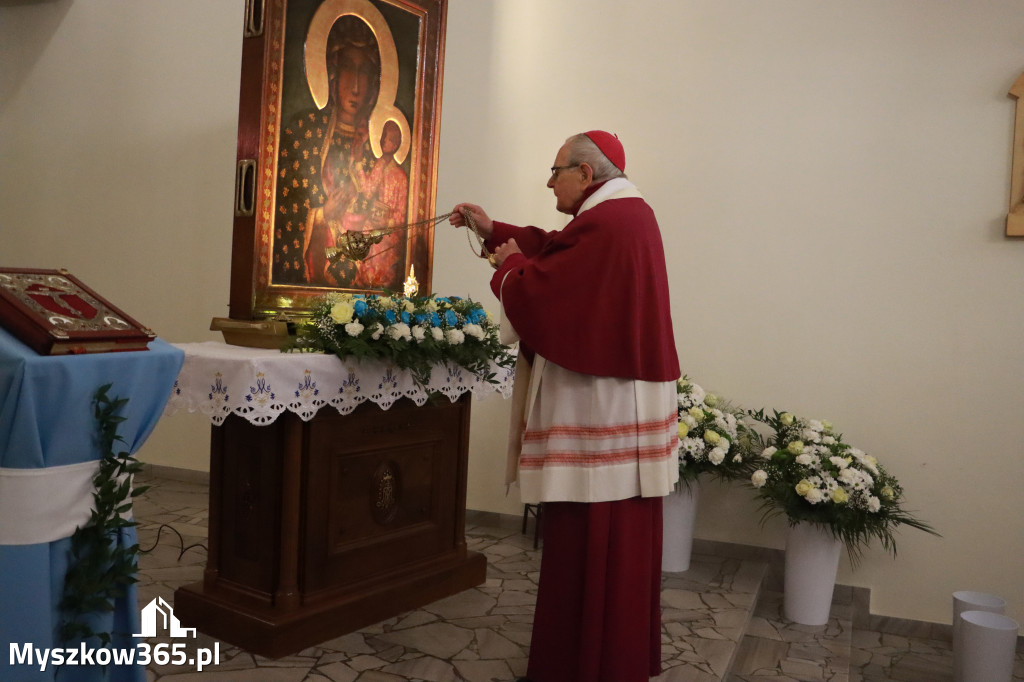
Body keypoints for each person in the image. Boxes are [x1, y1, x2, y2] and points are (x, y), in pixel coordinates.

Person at [450, 131, 680, 682]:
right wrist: (494, 231)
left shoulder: (613, 221)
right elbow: (557, 249)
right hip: (619, 399)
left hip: (600, 406)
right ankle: (606, 658)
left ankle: (582, 664)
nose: (549, 182)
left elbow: (552, 293)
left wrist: (507, 272)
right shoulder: (618, 215)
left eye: (555, 171)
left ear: (585, 172)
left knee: (591, 536)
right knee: (612, 542)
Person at [273, 15, 407, 289]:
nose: (355, 85)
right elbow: (283, 212)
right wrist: (322, 215)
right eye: (348, 68)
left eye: (365, 73)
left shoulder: (376, 150)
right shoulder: (304, 131)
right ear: (332, 74)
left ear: (375, 85)